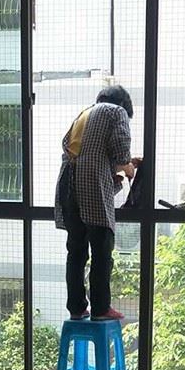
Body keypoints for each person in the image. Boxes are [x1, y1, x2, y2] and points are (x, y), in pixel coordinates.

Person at [54, 85, 141, 320]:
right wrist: (128, 167)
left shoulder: (84, 114)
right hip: (89, 186)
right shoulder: (116, 112)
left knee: (76, 251)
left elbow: (92, 154)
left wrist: (120, 167)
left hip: (67, 187)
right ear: (123, 105)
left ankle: (76, 308)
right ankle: (101, 308)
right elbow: (121, 153)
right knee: (102, 250)